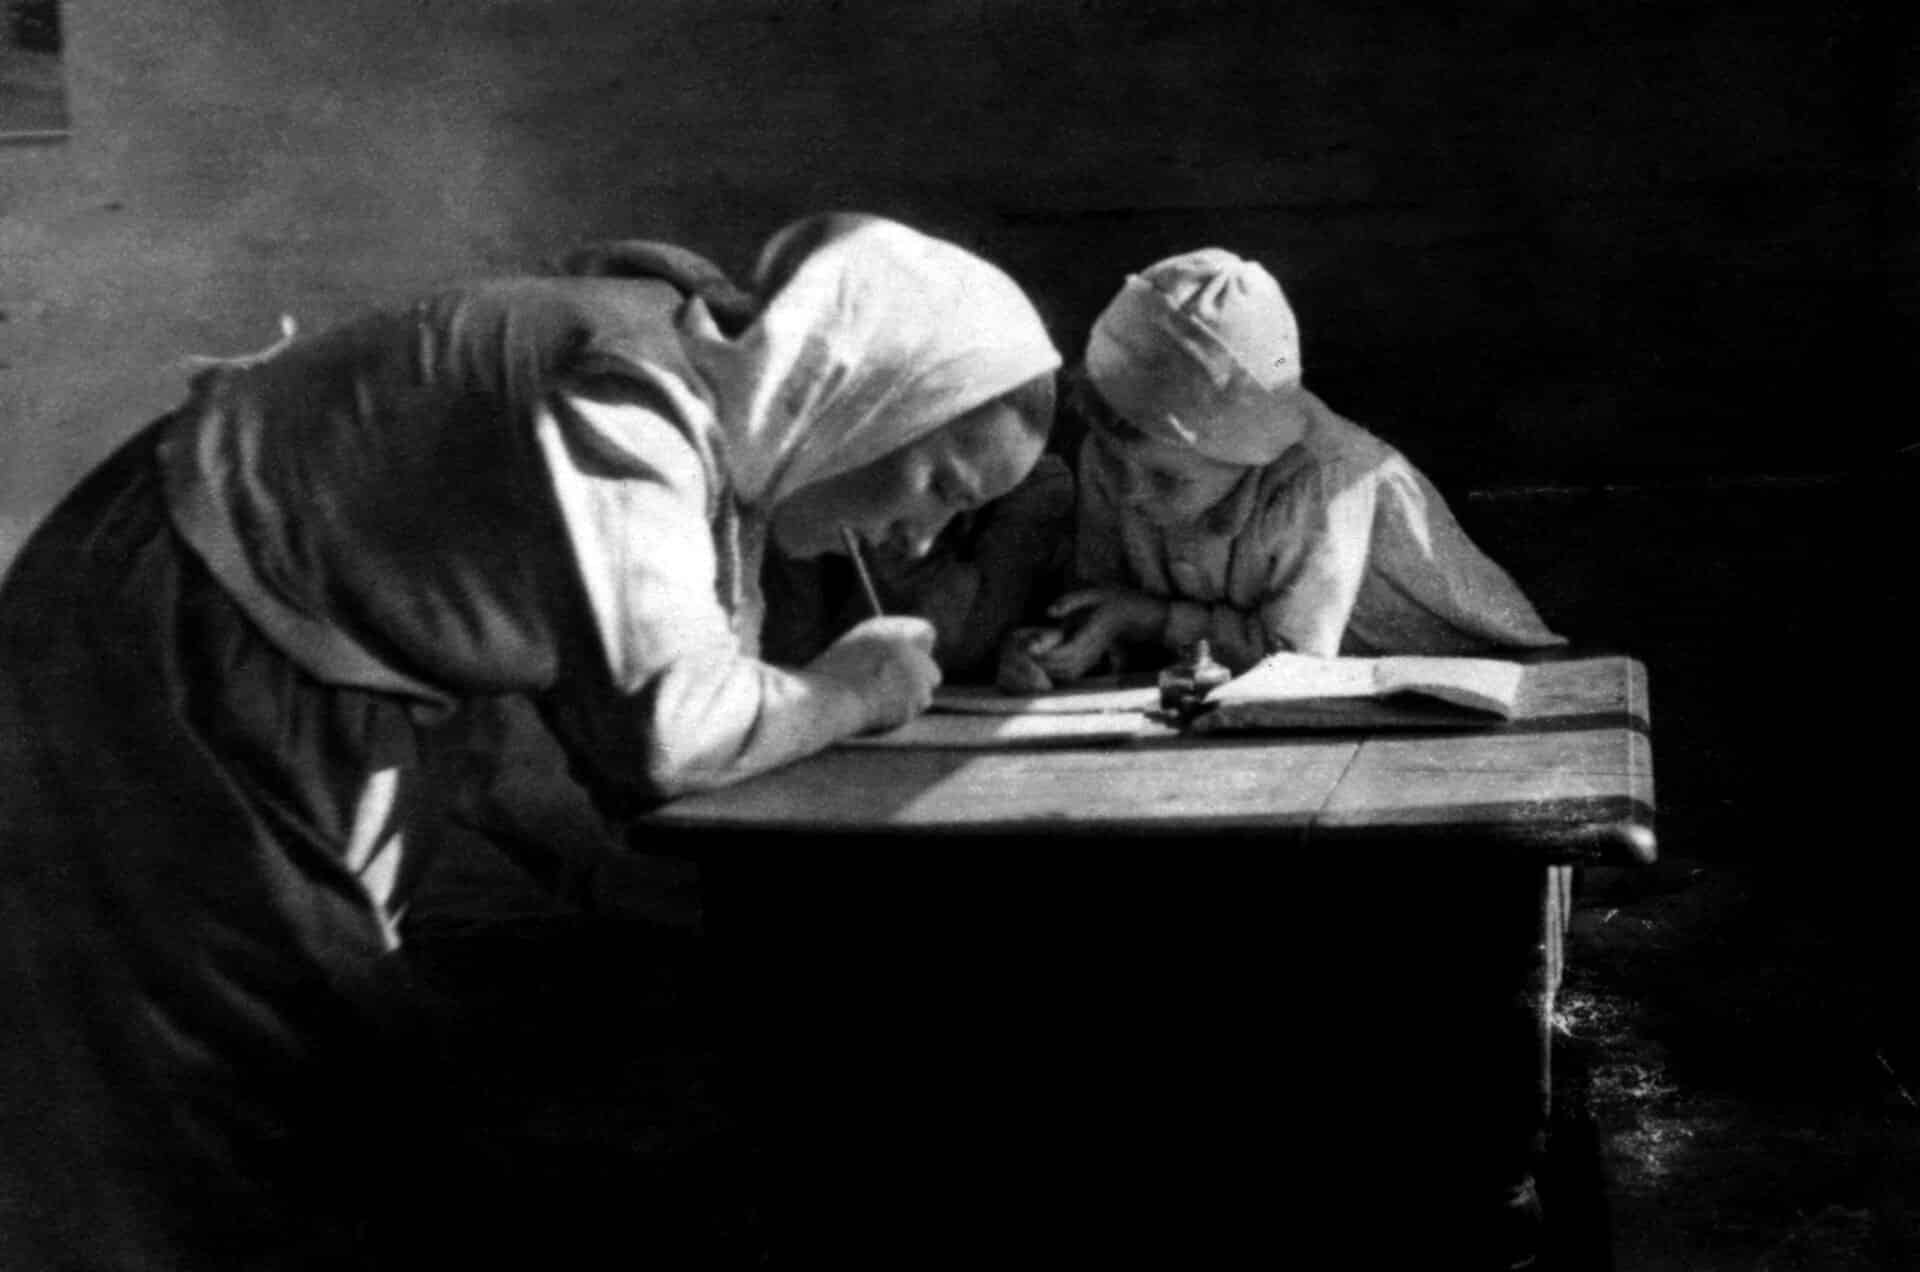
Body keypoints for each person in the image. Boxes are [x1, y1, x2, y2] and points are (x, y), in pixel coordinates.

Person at [0, 212, 1060, 1269]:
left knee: (278, 1082)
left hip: (251, 654)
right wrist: (855, 690)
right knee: (249, 1075)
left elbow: (605, 732)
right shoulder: (632, 398)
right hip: (163, 641)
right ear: (870, 398)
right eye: (936, 486)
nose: (918, 537)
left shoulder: (707, 397)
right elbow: (670, 739)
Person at [999, 247, 1562, 692]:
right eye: (1114, 468)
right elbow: (1108, 599)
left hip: (1461, 684)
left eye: (1168, 479)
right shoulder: (1114, 458)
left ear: (1247, 451)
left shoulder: (1328, 477)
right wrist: (1068, 643)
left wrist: (1149, 619)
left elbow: (1297, 662)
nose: (1132, 496)